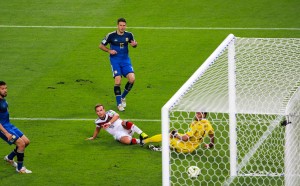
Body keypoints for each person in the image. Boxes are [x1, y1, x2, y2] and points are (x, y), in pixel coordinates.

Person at [99, 18, 138, 112]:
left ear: (126, 26)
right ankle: (119, 104)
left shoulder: (129, 35)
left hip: (125, 60)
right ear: (117, 25)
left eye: (124, 25)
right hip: (115, 60)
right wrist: (109, 50)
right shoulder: (111, 35)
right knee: (118, 80)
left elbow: (134, 44)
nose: (122, 27)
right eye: (120, 25)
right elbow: (101, 45)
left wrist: (134, 45)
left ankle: (122, 97)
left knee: (132, 79)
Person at [142, 112, 215, 153]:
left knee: (168, 136)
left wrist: (176, 134)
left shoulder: (196, 124)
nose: (196, 115)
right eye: (196, 113)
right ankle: (167, 146)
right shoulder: (208, 124)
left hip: (185, 147)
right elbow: (212, 134)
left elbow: (185, 138)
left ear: (204, 115)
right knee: (171, 134)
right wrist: (210, 145)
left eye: (198, 114)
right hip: (191, 146)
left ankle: (147, 142)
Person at [0, 81, 32, 173]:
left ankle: (9, 157)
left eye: (6, 88)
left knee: (26, 142)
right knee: (21, 144)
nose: (5, 90)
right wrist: (6, 133)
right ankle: (20, 168)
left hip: (9, 125)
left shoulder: (3, 99)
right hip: (3, 129)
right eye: (2, 89)